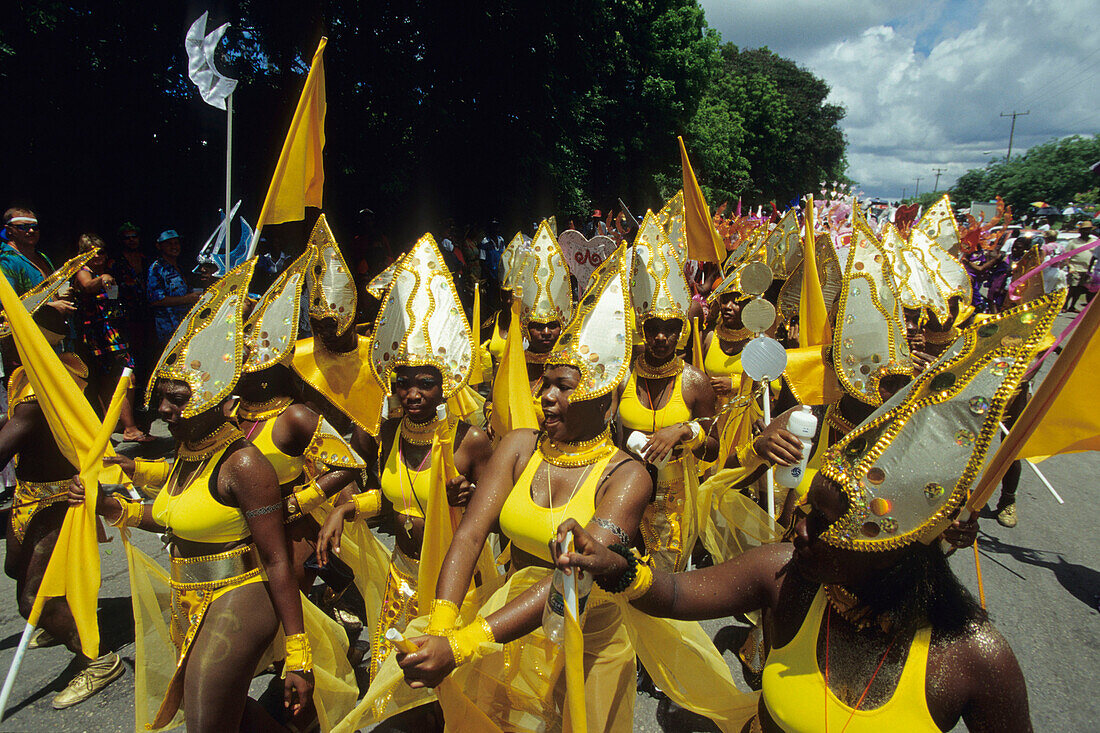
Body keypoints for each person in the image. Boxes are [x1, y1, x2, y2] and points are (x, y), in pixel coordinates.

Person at [553, 294, 1060, 733]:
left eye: (820, 520)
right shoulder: (784, 575)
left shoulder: (974, 659)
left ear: (886, 541)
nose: (797, 525)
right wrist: (620, 564)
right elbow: (675, 591)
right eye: (807, 510)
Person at [395, 245, 653, 731]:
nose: (545, 396)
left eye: (564, 387)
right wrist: (443, 621)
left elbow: (569, 579)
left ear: (604, 399)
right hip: (511, 626)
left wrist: (464, 644)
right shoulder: (518, 447)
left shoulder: (626, 477)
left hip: (588, 646)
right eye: (546, 383)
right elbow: (471, 534)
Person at [68, 260, 331, 731]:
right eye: (162, 396)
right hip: (187, 596)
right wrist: (115, 508)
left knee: (205, 723)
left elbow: (276, 560)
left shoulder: (244, 463)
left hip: (238, 596)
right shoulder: (190, 450)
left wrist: (298, 653)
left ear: (213, 398)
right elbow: (172, 515)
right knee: (217, 712)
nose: (162, 410)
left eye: (177, 399)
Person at [317, 232, 491, 697]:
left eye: (426, 384)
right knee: (394, 682)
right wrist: (344, 509)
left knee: (453, 690)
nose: (413, 394)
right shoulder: (390, 433)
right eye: (405, 383)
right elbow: (393, 503)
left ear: (445, 385)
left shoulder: (469, 440)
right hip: (401, 572)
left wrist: (471, 503)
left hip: (454, 582)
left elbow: (498, 515)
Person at [0, 254, 125, 709]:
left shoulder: (39, 388)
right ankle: (60, 618)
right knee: (17, 570)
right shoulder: (28, 375)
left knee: (32, 595)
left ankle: (97, 657)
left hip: (57, 500)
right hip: (28, 498)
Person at [233, 247, 365, 595]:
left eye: (332, 323)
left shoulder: (372, 353)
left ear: (353, 315)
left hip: (362, 460)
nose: (325, 332)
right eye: (317, 323)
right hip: (312, 460)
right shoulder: (301, 358)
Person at [620, 213, 718, 571]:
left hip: (674, 504)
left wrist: (685, 430)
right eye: (654, 328)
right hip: (625, 492)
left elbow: (713, 450)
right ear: (643, 329)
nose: (661, 337)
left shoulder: (695, 382)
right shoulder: (625, 374)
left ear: (681, 332)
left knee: (666, 584)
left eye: (670, 328)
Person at [71, 233, 152, 443]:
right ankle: (130, 428)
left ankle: (116, 423)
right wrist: (103, 279)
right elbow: (88, 286)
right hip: (101, 335)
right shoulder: (84, 272)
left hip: (114, 332)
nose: (98, 256)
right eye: (92, 252)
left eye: (101, 251)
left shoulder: (106, 272)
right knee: (124, 376)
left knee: (114, 377)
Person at [147, 229, 199, 344]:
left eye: (176, 243)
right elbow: (155, 300)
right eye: (169, 244)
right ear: (159, 246)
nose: (174, 247)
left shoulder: (180, 266)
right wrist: (187, 298)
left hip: (185, 325)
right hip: (169, 329)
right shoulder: (157, 268)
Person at [1063, 221, 1097, 311]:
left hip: (1088, 269)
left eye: (1088, 230)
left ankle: (1072, 306)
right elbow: (1066, 256)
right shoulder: (1073, 242)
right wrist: (1069, 266)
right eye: (1084, 230)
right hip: (1075, 267)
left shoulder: (1095, 242)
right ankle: (1065, 305)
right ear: (1080, 231)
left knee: (1080, 289)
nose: (1086, 232)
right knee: (1072, 287)